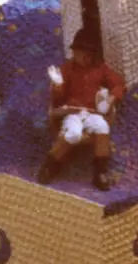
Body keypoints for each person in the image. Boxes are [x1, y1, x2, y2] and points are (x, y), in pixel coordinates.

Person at [38, 27, 125, 190]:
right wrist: (57, 86)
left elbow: (118, 84)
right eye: (80, 53)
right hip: (74, 112)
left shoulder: (101, 69)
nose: (85, 57)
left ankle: (100, 171)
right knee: (73, 134)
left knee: (102, 127)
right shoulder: (67, 69)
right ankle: (51, 164)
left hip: (93, 113)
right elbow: (58, 99)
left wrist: (112, 97)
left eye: (88, 54)